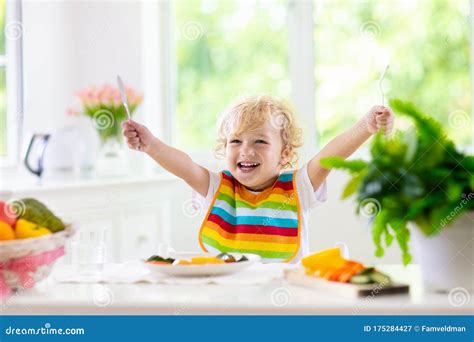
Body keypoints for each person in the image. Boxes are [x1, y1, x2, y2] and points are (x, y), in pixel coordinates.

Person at [122, 95, 394, 263]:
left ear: (284, 153)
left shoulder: (298, 187)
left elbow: (329, 154)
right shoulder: (217, 187)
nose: (246, 150)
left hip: (285, 304)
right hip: (226, 304)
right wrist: (150, 145)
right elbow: (184, 166)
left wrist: (366, 126)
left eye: (260, 141)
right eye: (236, 141)